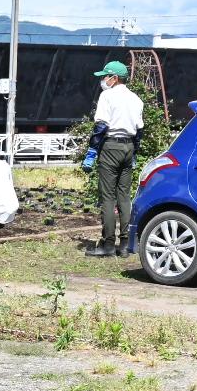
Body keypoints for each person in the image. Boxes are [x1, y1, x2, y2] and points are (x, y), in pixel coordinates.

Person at [81, 61, 143, 258]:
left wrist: (92, 152)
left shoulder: (107, 96)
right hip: (128, 147)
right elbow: (139, 131)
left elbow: (101, 127)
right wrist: (133, 153)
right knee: (124, 196)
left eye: (105, 76)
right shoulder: (136, 99)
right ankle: (125, 245)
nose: (103, 80)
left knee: (108, 197)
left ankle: (108, 245)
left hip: (111, 146)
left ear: (114, 78)